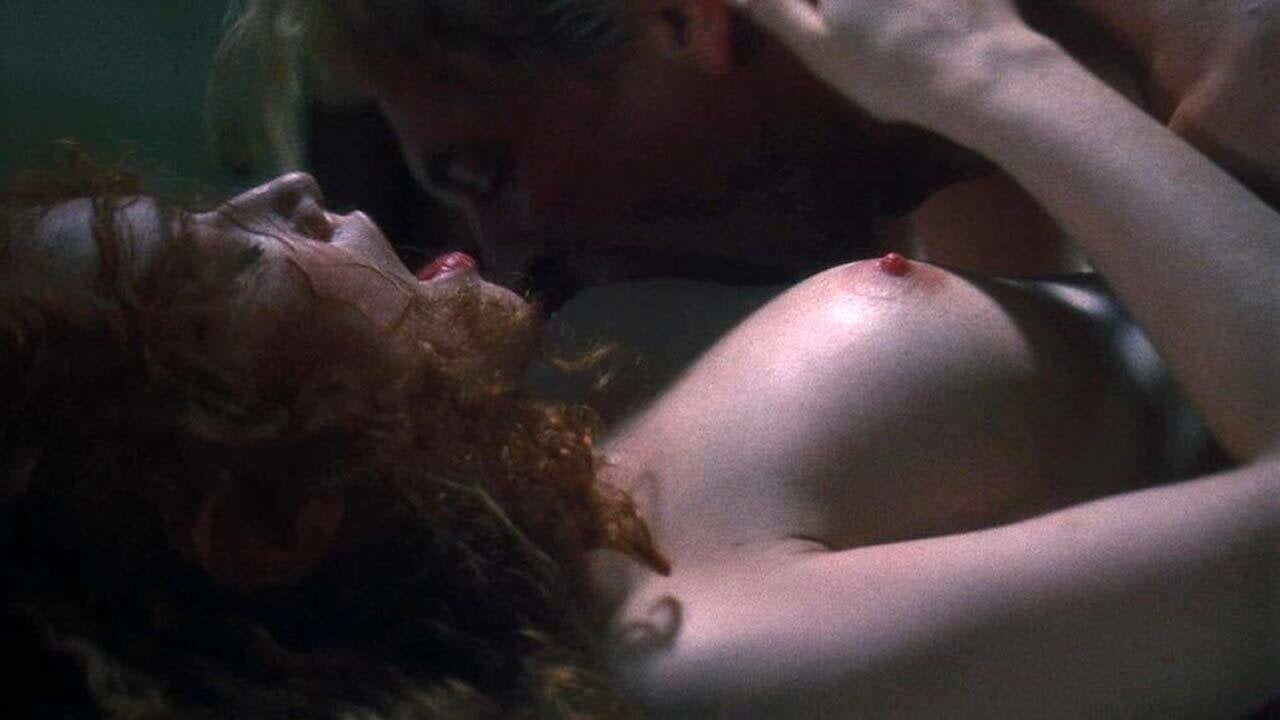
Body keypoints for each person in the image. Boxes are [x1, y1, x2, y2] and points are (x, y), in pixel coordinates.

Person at [4, 4, 1278, 719]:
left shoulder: (542, 399)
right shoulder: (685, 650)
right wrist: (984, 70)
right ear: (267, 516)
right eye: (235, 260)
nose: (288, 189)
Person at [214, 0, 1280, 294]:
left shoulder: (1248, 90)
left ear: (683, 19)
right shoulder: (984, 179)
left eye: (489, 175)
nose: (514, 259)